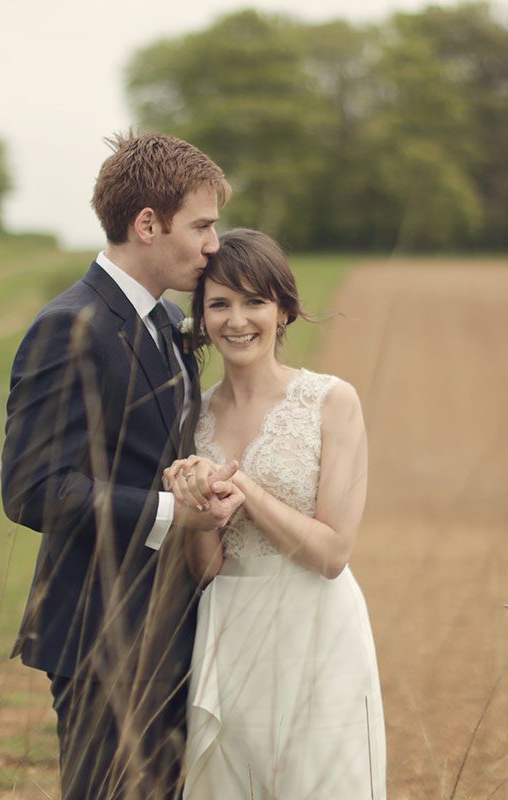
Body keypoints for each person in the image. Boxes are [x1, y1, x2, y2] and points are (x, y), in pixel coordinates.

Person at [0, 131, 243, 800]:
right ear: (147, 224)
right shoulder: (70, 326)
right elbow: (31, 489)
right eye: (201, 226)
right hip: (100, 634)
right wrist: (175, 513)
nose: (212, 244)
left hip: (176, 629)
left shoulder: (166, 321)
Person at [163, 229, 387, 799]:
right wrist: (198, 509)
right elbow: (206, 568)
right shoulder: (194, 415)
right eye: (220, 304)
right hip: (228, 628)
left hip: (315, 628)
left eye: (254, 301)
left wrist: (246, 491)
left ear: (283, 309)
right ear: (202, 317)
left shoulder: (332, 402)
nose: (237, 320)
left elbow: (333, 554)